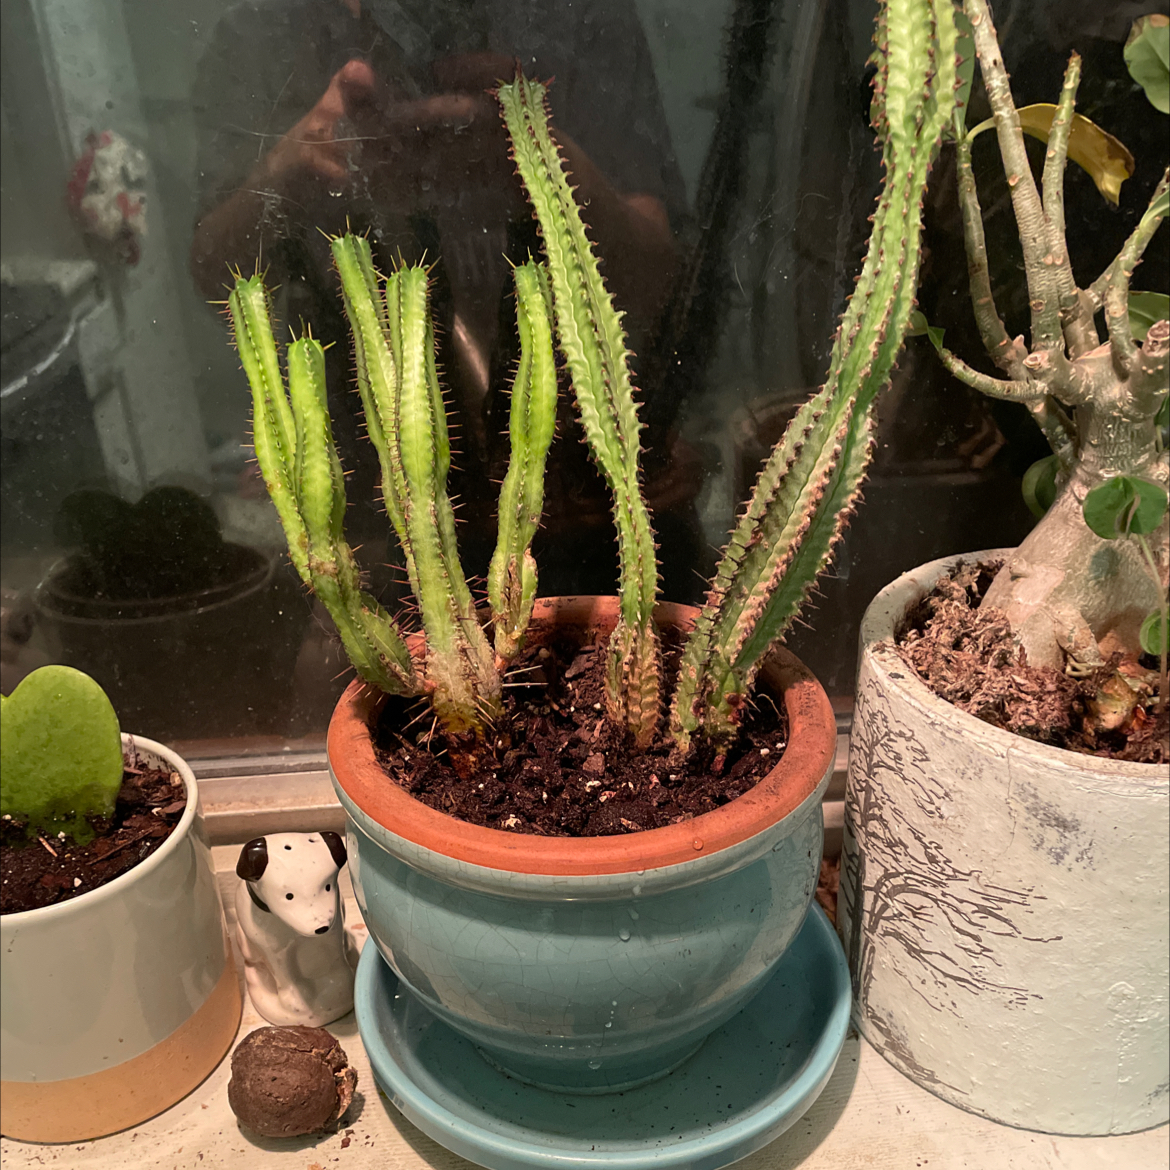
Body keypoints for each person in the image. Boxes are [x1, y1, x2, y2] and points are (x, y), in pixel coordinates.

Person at [190, 0, 698, 595]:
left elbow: (654, 282)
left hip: (595, 502)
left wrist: (532, 154)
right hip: (381, 523)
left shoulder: (578, 17)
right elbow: (215, 276)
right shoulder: (266, 32)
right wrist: (294, 161)